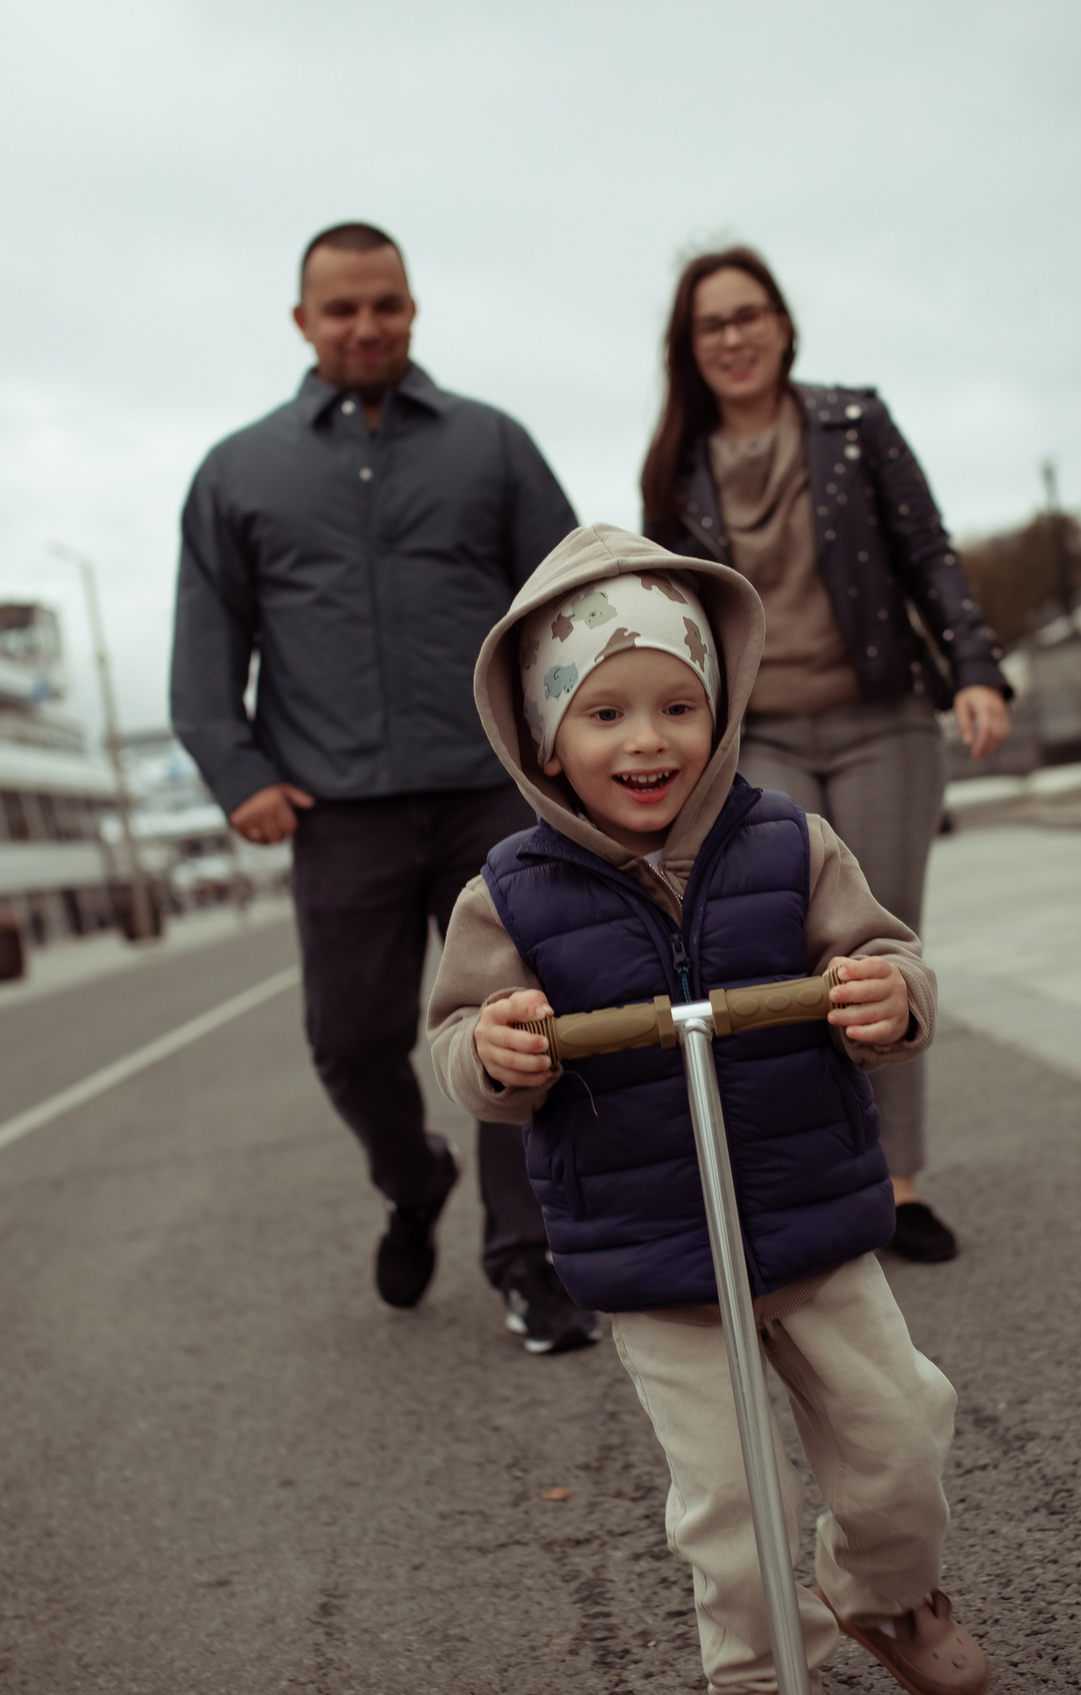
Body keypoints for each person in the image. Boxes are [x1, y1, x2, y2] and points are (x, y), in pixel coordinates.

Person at [427, 524, 992, 1695]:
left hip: (814, 1221)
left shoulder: (789, 843)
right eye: (605, 712)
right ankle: (753, 1672)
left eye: (677, 706)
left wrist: (893, 997)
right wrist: (497, 1051)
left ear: (720, 711)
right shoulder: (507, 898)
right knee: (729, 1511)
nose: (647, 739)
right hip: (659, 1258)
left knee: (898, 1440)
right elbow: (457, 1043)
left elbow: (885, 954)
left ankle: (883, 1595)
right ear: (544, 734)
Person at [170, 221, 596, 1356]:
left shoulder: (491, 445)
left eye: (387, 305)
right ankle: (414, 1181)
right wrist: (237, 771)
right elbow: (207, 641)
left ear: (413, 309)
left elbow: (571, 607)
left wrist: (578, 744)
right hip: (335, 809)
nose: (367, 326)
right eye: (343, 308)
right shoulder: (237, 471)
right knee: (351, 1042)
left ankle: (525, 1259)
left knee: (520, 1029)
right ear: (303, 321)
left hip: (488, 797)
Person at [641, 246, 1011, 1265]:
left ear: (785, 324)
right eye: (712, 323)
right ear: (690, 345)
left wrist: (976, 670)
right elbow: (669, 618)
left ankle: (897, 1182)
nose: (735, 336)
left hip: (881, 721)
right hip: (760, 740)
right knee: (781, 951)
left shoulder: (852, 425)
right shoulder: (674, 467)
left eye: (751, 314)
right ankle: (812, 1175)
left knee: (877, 954)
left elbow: (926, 549)